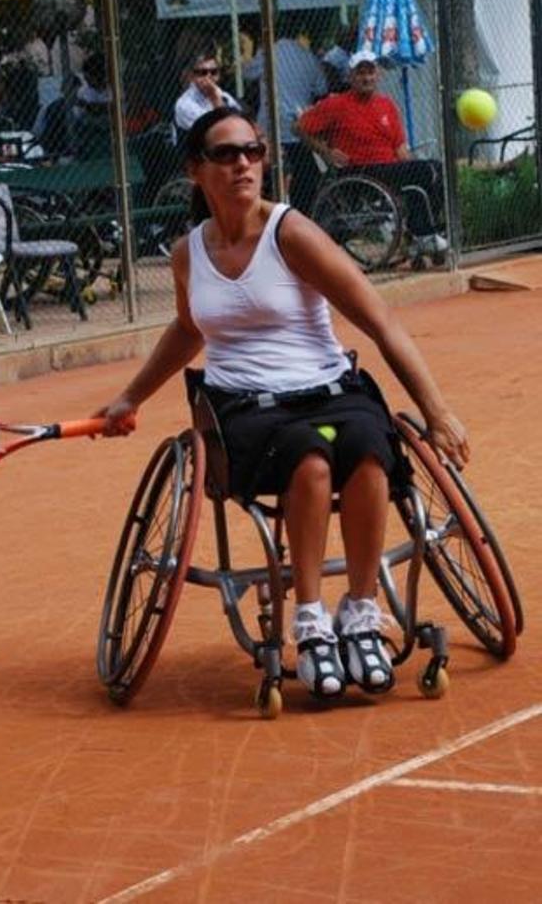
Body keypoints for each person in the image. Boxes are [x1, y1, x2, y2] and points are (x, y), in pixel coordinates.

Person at [94, 107, 469, 702]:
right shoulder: (189, 252)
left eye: (254, 150)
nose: (244, 162)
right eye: (226, 153)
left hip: (329, 390)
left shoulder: (291, 233)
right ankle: (312, 624)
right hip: (246, 409)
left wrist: (437, 409)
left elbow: (379, 320)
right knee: (311, 463)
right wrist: (130, 396)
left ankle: (361, 613)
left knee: (370, 453)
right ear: (196, 169)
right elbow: (189, 330)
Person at [296, 50, 447, 256]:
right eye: (360, 73)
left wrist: (415, 165)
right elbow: (300, 127)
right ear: (350, 77)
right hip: (360, 171)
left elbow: (400, 149)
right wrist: (327, 152)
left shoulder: (387, 105)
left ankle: (422, 233)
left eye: (370, 72)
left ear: (379, 75)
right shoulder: (336, 104)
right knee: (422, 171)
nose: (366, 78)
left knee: (436, 170)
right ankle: (423, 235)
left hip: (390, 169)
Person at [243, 14, 327, 213]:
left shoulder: (268, 53)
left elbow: (247, 74)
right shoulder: (307, 56)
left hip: (272, 125)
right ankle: (304, 214)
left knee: (272, 176)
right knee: (304, 178)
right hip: (300, 125)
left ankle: (270, 213)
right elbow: (321, 87)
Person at [174, 50, 241, 140]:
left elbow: (240, 120)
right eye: (203, 73)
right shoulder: (185, 103)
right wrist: (215, 98)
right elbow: (218, 130)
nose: (209, 77)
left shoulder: (225, 96)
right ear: (192, 76)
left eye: (214, 72)